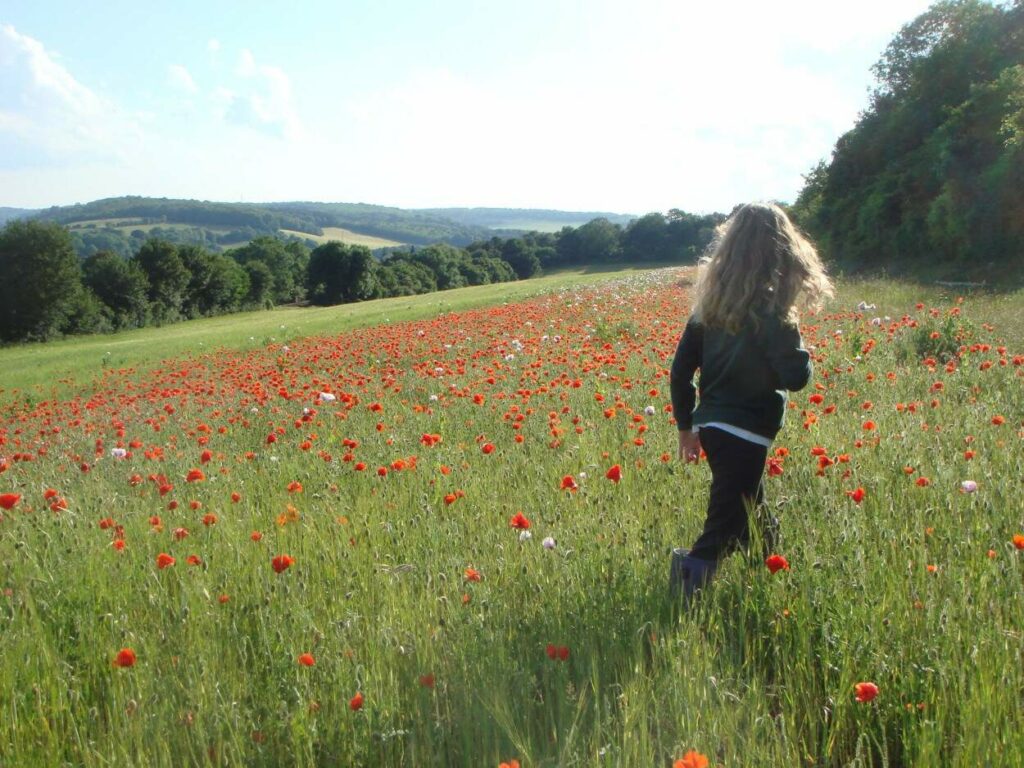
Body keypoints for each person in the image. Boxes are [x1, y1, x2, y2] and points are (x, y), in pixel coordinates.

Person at [668, 202, 833, 601]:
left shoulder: (708, 309)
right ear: (782, 251)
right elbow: (796, 379)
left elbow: (679, 371)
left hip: (714, 428)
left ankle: (770, 577)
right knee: (720, 527)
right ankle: (681, 599)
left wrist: (686, 428)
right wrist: (799, 347)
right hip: (747, 433)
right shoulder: (772, 312)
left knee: (752, 511)